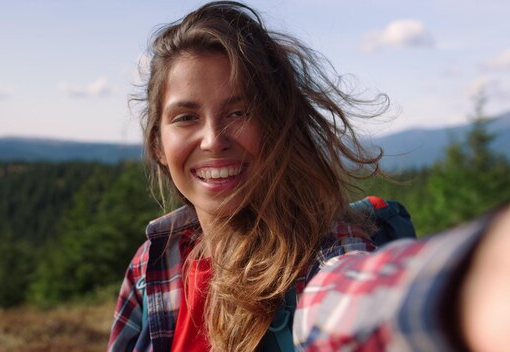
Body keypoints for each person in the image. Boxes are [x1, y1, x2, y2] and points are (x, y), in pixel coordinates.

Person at [108, 2, 510, 351]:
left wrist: (473, 285)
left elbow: (351, 300)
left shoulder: (325, 252)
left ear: (278, 127)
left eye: (239, 112)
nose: (213, 140)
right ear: (158, 144)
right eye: (186, 117)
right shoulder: (152, 264)